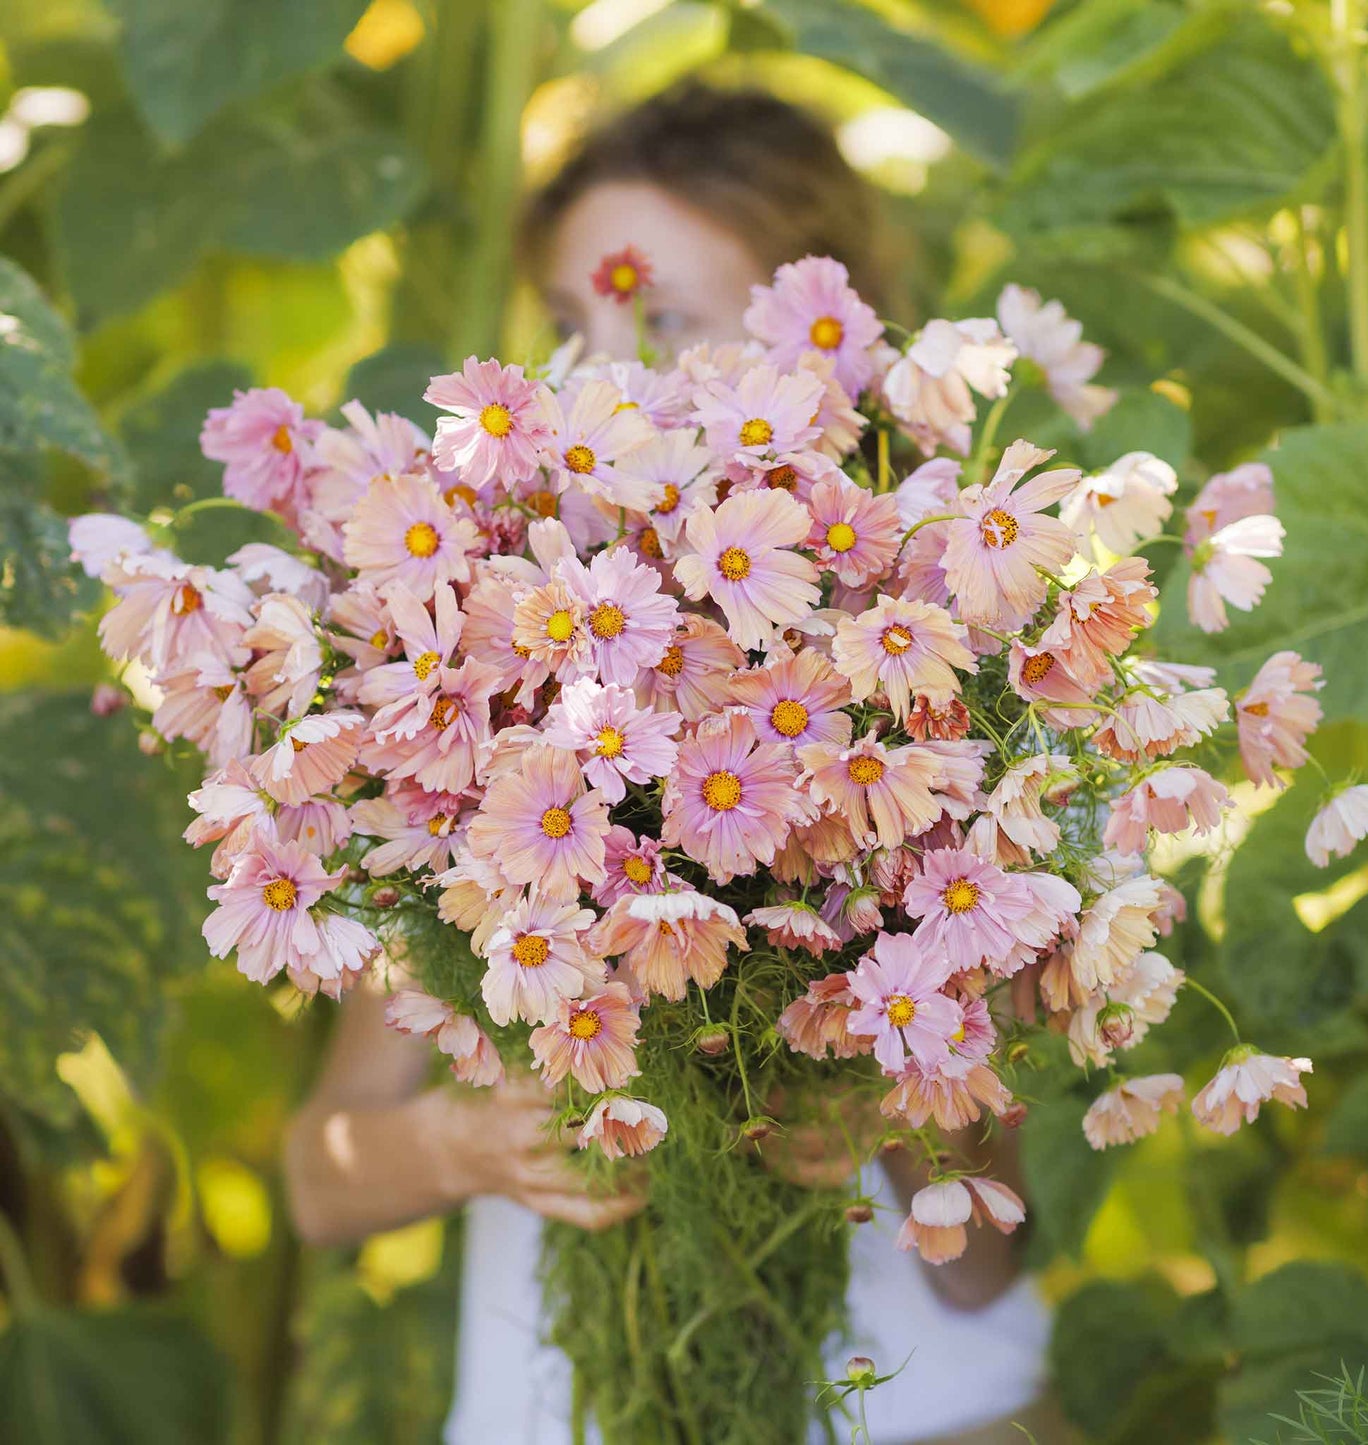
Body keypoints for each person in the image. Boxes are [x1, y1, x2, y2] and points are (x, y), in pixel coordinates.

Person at [285, 82, 1065, 1445]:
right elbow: (318, 1177)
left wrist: (896, 1108)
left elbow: (991, 1246)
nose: (606, 375)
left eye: (671, 324)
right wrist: (463, 1145)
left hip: (923, 1416)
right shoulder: (463, 722)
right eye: (570, 325)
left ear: (829, 356)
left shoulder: (939, 696)